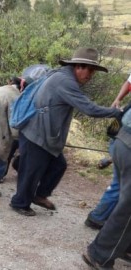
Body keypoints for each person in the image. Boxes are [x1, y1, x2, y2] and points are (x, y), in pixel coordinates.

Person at [9, 47, 122, 216]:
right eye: (89, 70)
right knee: (32, 170)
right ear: (78, 66)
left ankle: (39, 194)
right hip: (38, 133)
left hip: (41, 133)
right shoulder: (65, 82)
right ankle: (19, 203)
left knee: (58, 165)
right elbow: (89, 109)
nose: (90, 75)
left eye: (93, 71)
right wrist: (115, 112)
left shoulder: (60, 75)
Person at [82, 108, 131, 270]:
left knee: (122, 197)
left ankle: (123, 247)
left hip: (122, 140)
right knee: (127, 209)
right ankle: (100, 254)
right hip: (127, 145)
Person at [85, 73, 131, 229]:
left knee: (119, 183)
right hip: (122, 139)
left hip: (119, 138)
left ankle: (101, 216)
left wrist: (118, 99)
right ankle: (98, 217)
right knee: (120, 184)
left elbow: (128, 82)